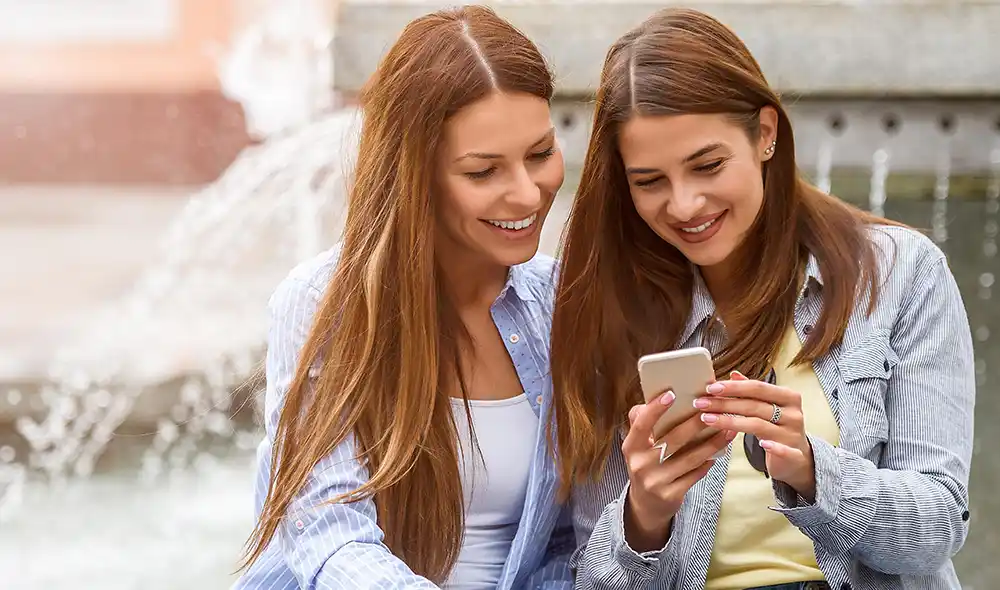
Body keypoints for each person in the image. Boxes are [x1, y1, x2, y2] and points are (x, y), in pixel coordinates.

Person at [549, 7, 976, 590]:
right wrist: (643, 517)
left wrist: (809, 467)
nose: (684, 205)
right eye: (649, 181)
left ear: (766, 134)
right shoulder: (609, 305)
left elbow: (937, 529)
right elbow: (590, 579)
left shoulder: (901, 271)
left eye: (708, 165)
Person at [234, 6, 575, 589]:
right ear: (415, 175)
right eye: (483, 171)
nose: (526, 193)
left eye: (540, 155)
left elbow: (573, 545)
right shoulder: (324, 303)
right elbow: (330, 535)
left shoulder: (562, 301)